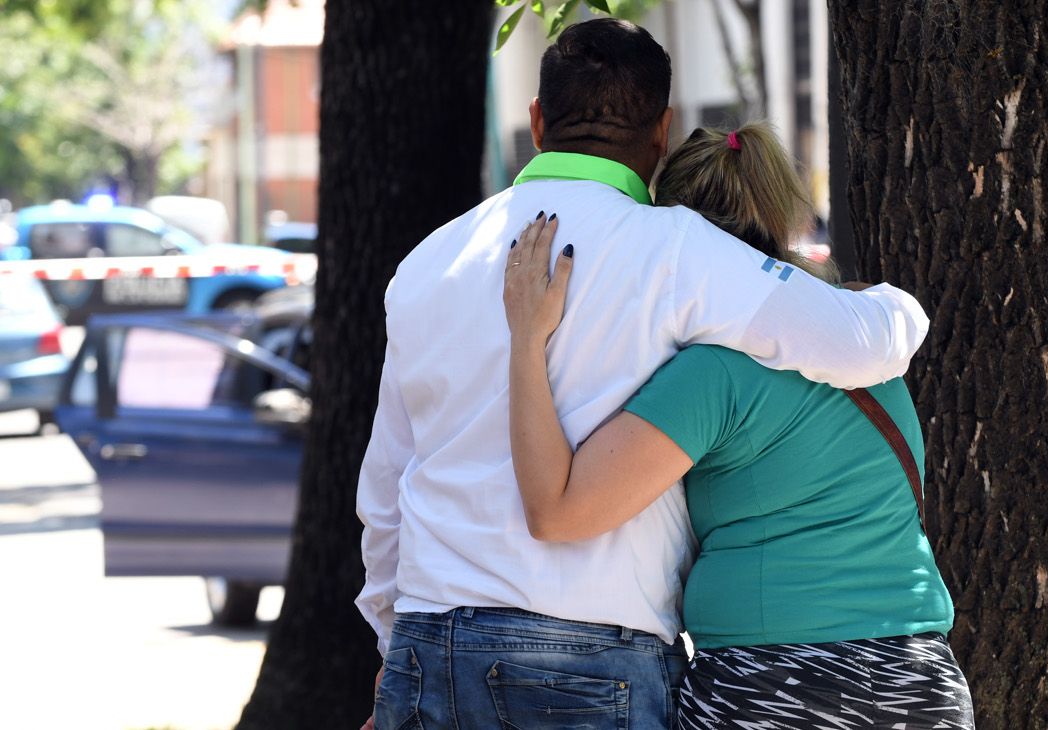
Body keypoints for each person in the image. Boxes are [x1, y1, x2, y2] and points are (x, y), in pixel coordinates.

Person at [356, 20, 931, 730]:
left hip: (426, 639)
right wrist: (900, 307)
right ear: (662, 132)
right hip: (586, 656)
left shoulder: (429, 261)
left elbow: (386, 489)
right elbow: (855, 345)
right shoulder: (676, 253)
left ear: (537, 122)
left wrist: (394, 643)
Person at [502, 123, 974, 729]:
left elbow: (559, 510)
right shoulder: (865, 348)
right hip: (919, 680)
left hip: (777, 686)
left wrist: (526, 338)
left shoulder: (715, 375)